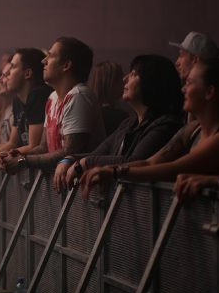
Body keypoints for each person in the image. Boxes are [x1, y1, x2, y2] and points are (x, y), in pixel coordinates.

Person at [80, 58, 219, 199]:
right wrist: (110, 169)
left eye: (189, 82)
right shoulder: (192, 129)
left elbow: (174, 169)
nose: (183, 89)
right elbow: (150, 162)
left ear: (209, 92)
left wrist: (115, 173)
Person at [63, 55, 184, 191]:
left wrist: (83, 163)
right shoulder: (128, 123)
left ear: (151, 82)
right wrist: (68, 159)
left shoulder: (166, 124)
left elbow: (134, 161)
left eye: (133, 74)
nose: (125, 79)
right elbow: (99, 153)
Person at [0, 37, 104, 177]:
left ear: (66, 65)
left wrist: (23, 161)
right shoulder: (52, 98)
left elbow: (69, 152)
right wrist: (16, 154)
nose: (44, 60)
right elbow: (44, 147)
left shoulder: (78, 96)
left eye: (51, 55)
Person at [87, 61, 130, 136]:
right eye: (120, 78)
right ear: (110, 83)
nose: (124, 82)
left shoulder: (87, 111)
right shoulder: (120, 117)